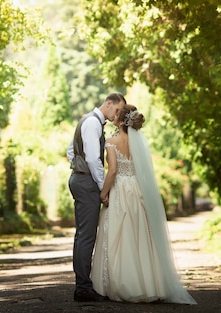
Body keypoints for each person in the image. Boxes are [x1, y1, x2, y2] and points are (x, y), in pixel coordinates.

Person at [92, 105, 197, 305]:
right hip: (137, 190)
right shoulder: (139, 143)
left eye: (116, 115)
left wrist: (103, 193)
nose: (113, 116)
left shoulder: (111, 142)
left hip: (121, 190)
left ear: (121, 121)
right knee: (140, 235)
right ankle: (148, 285)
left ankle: (126, 284)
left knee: (120, 235)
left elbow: (112, 171)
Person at [67, 92, 126, 302]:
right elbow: (93, 160)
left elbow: (71, 151)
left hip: (80, 179)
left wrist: (76, 168)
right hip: (86, 182)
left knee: (82, 234)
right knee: (87, 236)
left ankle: (82, 285)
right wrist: (104, 190)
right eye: (117, 110)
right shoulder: (92, 123)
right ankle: (83, 288)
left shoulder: (87, 120)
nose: (117, 115)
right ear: (108, 104)